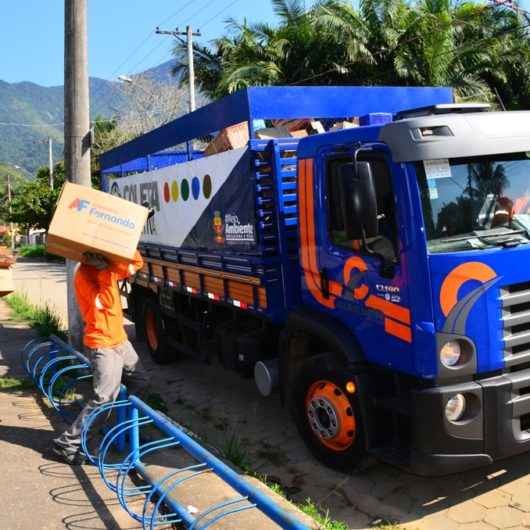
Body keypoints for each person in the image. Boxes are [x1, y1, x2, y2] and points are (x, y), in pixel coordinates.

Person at [52, 250, 149, 464]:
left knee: (140, 381)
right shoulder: (84, 274)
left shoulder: (108, 265)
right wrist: (105, 270)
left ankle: (122, 429)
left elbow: (135, 264)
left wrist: (124, 245)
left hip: (119, 339)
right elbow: (105, 304)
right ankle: (68, 442)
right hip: (102, 343)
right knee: (104, 397)